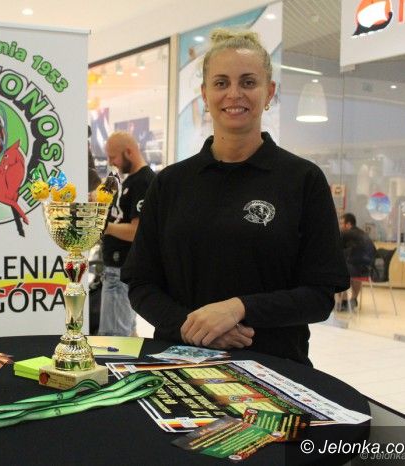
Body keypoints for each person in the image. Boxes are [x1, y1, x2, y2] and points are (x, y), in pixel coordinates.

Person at [121, 29, 349, 366]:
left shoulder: (303, 180)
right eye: (221, 83)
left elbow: (319, 295)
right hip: (180, 364)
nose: (234, 94)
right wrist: (193, 327)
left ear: (269, 92)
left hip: (273, 366)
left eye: (248, 82)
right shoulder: (170, 183)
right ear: (204, 94)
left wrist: (238, 308)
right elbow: (141, 283)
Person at [99, 131, 156, 336]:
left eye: (112, 156)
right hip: (118, 270)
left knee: (112, 339)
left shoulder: (143, 182)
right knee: (125, 333)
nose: (110, 162)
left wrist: (103, 226)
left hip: (121, 270)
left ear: (129, 152)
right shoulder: (131, 181)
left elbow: (136, 231)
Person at [338, 213, 376, 310]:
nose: (340, 226)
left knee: (337, 271)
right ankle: (353, 299)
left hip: (357, 268)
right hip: (368, 269)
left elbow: (336, 250)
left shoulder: (346, 234)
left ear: (348, 224)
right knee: (351, 269)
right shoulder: (362, 233)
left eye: (341, 223)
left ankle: (343, 301)